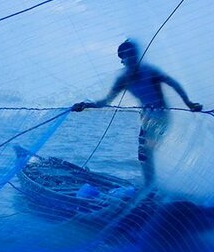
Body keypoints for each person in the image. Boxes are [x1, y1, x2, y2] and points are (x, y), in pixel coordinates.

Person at [72, 39, 202, 185]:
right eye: (126, 56)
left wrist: (189, 103)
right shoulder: (123, 79)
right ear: (122, 60)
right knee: (144, 154)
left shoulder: (150, 71)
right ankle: (150, 185)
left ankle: (150, 187)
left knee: (145, 153)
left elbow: (174, 84)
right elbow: (105, 102)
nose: (130, 58)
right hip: (147, 118)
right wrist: (85, 105)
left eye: (132, 54)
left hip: (160, 117)